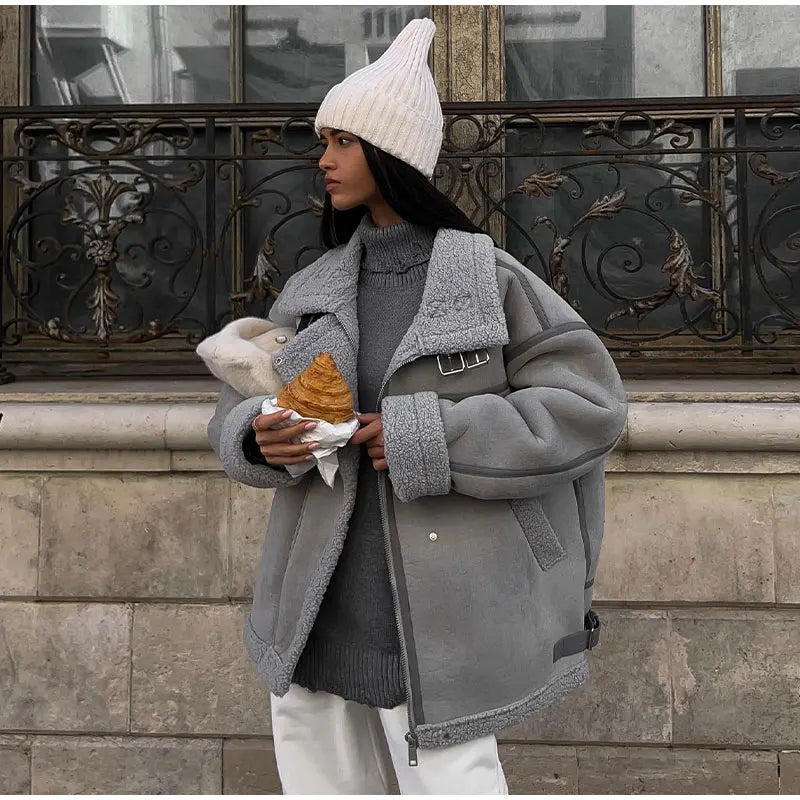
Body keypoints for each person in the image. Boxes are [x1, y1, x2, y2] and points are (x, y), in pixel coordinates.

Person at [207, 17, 628, 795]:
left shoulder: (492, 281)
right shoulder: (312, 289)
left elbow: (589, 407)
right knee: (320, 779)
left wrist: (427, 436)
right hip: (317, 606)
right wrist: (256, 436)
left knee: (454, 779)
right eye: (324, 141)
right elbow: (242, 402)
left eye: (343, 141)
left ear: (391, 153)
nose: (323, 159)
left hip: (447, 616)